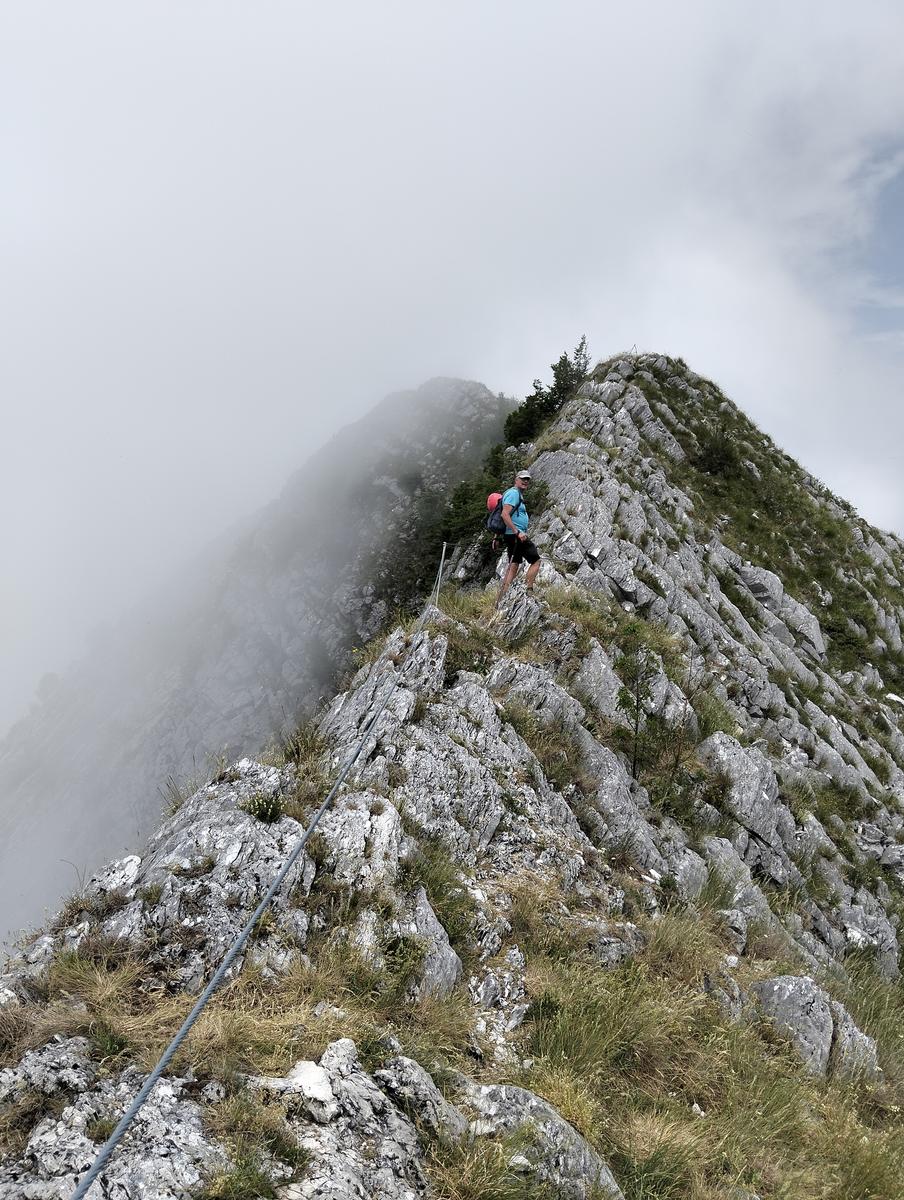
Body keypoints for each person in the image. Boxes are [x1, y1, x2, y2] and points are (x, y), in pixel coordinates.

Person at [495, 469, 542, 608]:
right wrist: (517, 532)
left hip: (511, 535)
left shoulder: (514, 494)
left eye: (527, 479)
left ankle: (504, 594)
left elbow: (500, 514)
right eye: (523, 478)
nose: (525, 481)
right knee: (536, 561)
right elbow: (504, 514)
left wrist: (496, 537)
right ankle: (528, 590)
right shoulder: (514, 494)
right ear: (516, 480)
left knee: (514, 564)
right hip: (516, 536)